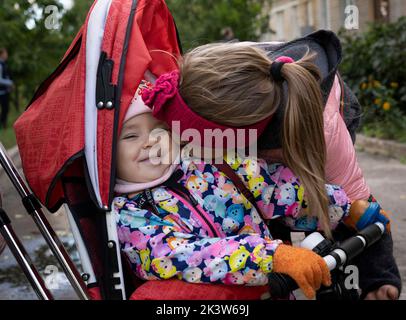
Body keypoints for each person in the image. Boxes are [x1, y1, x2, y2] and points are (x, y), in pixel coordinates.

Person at [138, 42, 401, 300]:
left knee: (328, 207)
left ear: (231, 140)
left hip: (329, 108)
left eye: (185, 139)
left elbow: (352, 196)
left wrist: (379, 275)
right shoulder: (212, 93)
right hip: (261, 99)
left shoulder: (323, 134)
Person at [0, 48, 13, 129]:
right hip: (1, 92)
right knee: (4, 109)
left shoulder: (4, 64)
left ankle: (3, 124)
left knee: (6, 109)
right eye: (5, 53)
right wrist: (10, 83)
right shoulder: (0, 65)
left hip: (4, 91)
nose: (7, 55)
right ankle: (2, 124)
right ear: (1, 54)